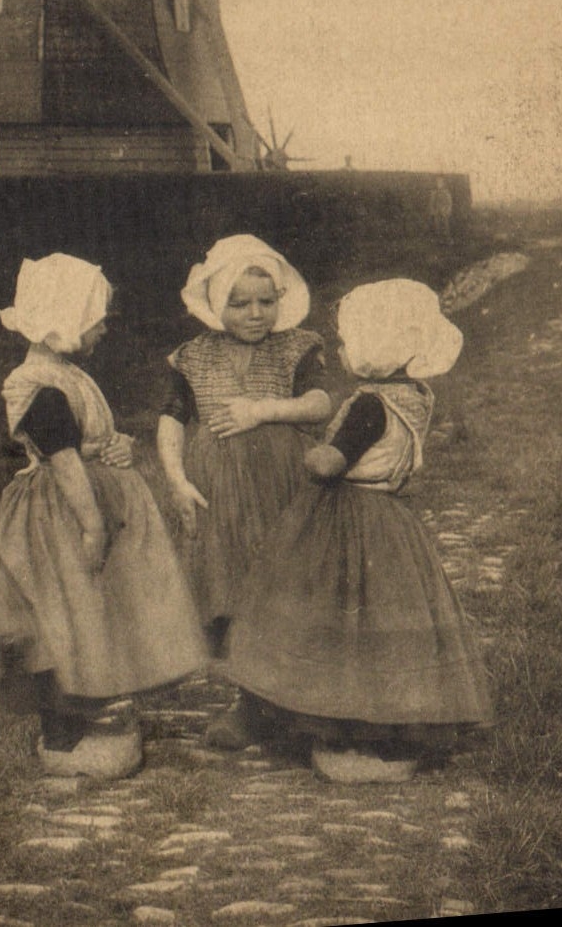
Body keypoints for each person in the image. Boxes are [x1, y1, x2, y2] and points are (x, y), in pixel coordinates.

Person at [227, 279, 493, 782]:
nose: (345, 353)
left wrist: (309, 454)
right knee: (389, 621)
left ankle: (345, 721)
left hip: (348, 518)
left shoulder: (368, 405)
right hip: (392, 519)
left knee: (337, 615)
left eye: (350, 342)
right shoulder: (415, 396)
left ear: (375, 345)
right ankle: (391, 721)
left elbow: (330, 463)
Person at [0, 253, 205, 778]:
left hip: (79, 501)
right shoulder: (41, 386)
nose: (104, 328)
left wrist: (117, 447)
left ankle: (86, 715)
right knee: (61, 616)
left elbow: (85, 442)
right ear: (66, 318)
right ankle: (61, 738)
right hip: (60, 515)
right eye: (96, 318)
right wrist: (93, 524)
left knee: (91, 613)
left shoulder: (65, 375)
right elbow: (61, 459)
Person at [156, 234, 332, 746]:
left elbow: (321, 403)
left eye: (265, 302)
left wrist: (263, 410)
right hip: (220, 495)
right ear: (215, 304)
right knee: (233, 588)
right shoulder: (191, 357)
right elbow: (171, 420)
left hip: (281, 485)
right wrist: (176, 480)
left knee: (285, 585)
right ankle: (250, 703)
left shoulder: (297, 347)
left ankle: (298, 701)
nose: (255, 314)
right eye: (239, 303)